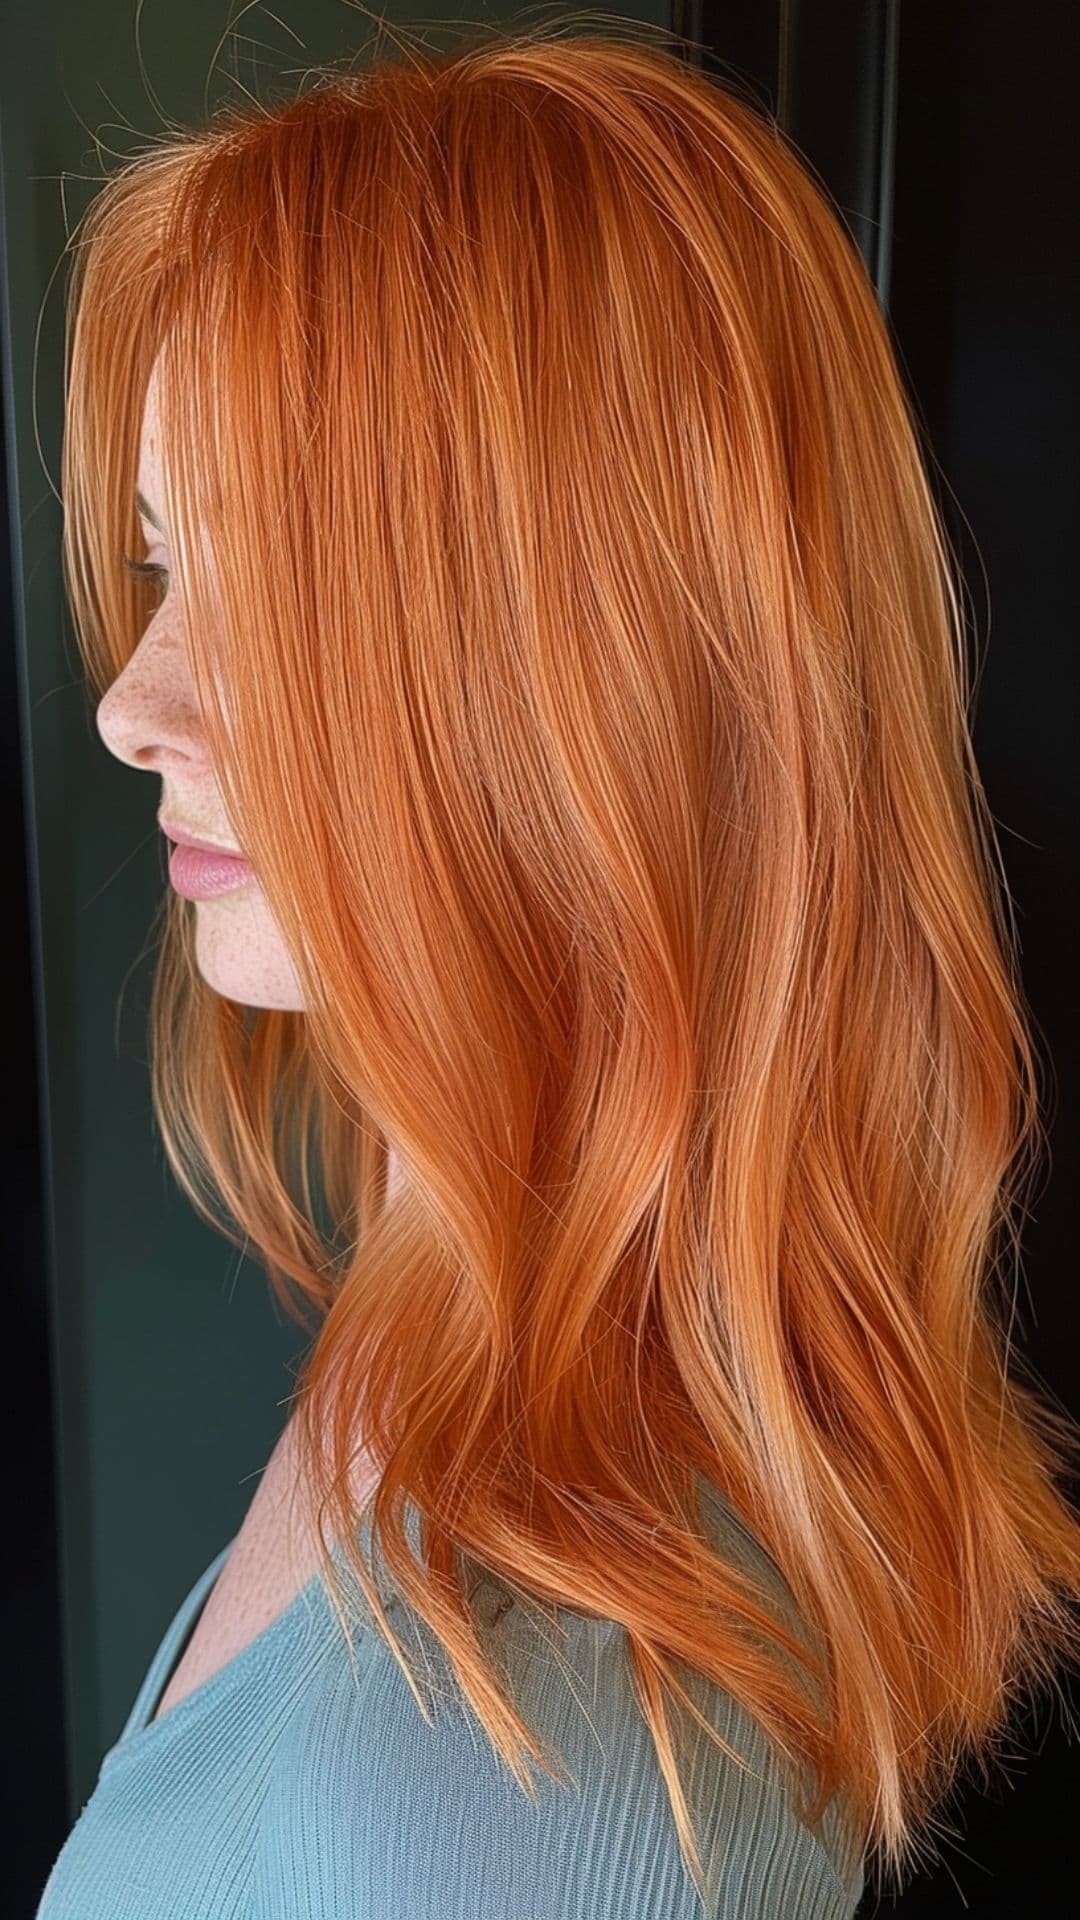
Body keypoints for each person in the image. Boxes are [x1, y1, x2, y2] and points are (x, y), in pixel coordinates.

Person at [36, 16, 1080, 1919]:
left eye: (286, 600)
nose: (134, 701)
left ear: (590, 698)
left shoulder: (502, 1803)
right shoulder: (472, 1307)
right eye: (169, 562)